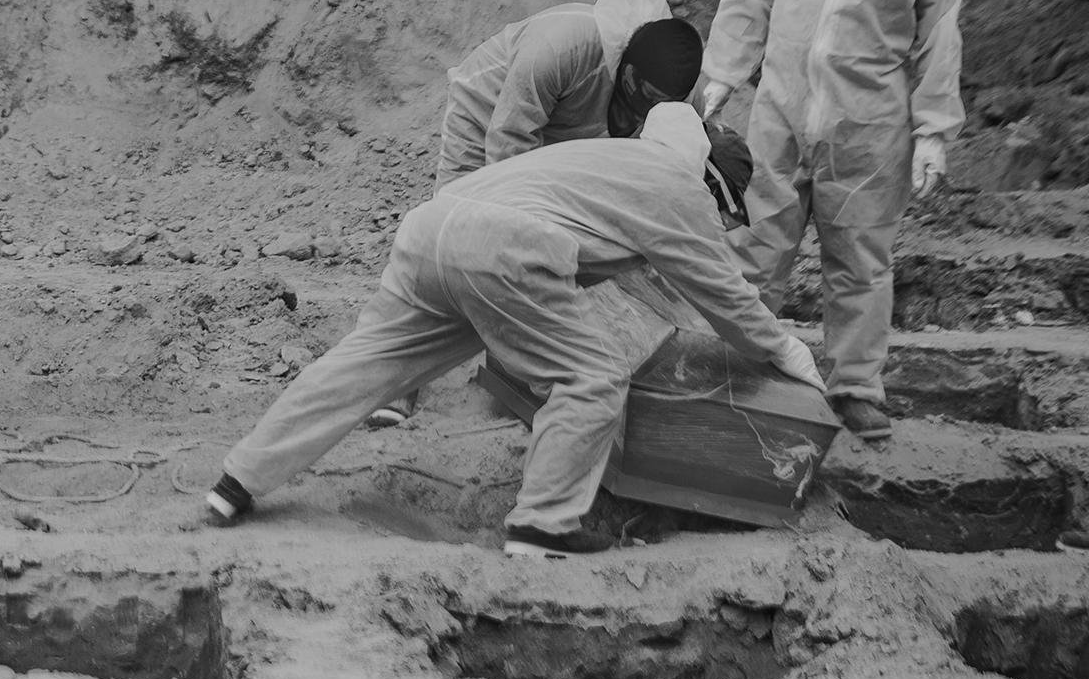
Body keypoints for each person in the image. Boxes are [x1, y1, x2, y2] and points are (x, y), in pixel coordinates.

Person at [202, 102, 824, 559]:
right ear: (712, 179)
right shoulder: (679, 188)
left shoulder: (618, 159)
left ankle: (239, 479)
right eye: (723, 210)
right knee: (592, 375)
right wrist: (787, 350)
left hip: (433, 228)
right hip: (502, 251)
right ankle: (543, 527)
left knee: (365, 363)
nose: (718, 221)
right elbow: (726, 299)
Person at [699, 0, 968, 443]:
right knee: (753, 247)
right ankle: (734, 371)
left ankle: (855, 389)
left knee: (861, 262)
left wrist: (933, 132)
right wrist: (722, 74)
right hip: (780, 115)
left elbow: (940, 40)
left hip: (871, 132)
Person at [366, 0, 703, 427]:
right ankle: (394, 386)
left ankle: (515, 371)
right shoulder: (560, 49)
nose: (649, 111)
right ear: (628, 73)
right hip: (487, 117)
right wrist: (531, 230)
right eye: (645, 99)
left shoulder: (679, 95)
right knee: (457, 247)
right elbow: (507, 142)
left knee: (553, 258)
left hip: (568, 132)